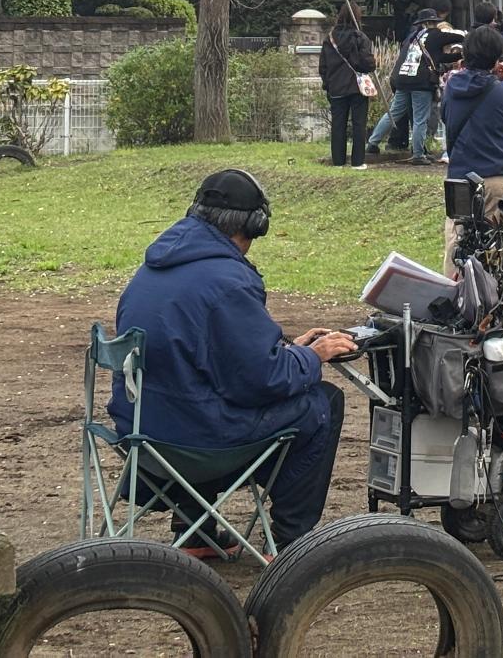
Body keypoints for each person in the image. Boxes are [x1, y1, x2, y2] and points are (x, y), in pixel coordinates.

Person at [110, 170, 354, 553]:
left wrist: (291, 351)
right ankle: (293, 546)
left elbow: (215, 359)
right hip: (192, 445)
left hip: (142, 434)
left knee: (199, 390)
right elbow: (262, 381)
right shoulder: (227, 279)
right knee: (323, 402)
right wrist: (312, 356)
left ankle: (196, 531)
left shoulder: (152, 267)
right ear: (255, 225)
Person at [440, 25, 503, 275]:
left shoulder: (451, 87)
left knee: (457, 242)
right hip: (497, 178)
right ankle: (494, 302)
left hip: (460, 178)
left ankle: (453, 299)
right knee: (497, 244)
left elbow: (444, 116)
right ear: (497, 59)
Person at [366, 6, 442, 160]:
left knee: (393, 113)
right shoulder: (430, 37)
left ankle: (372, 143)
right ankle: (419, 153)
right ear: (428, 23)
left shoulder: (411, 37)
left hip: (401, 79)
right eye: (433, 22)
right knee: (420, 118)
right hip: (419, 82)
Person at [318, 4, 376, 170]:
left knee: (338, 125)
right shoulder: (360, 37)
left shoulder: (329, 38)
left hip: (336, 87)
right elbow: (367, 63)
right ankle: (357, 162)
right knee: (359, 124)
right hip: (357, 87)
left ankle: (338, 161)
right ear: (357, 17)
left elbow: (323, 66)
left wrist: (327, 84)